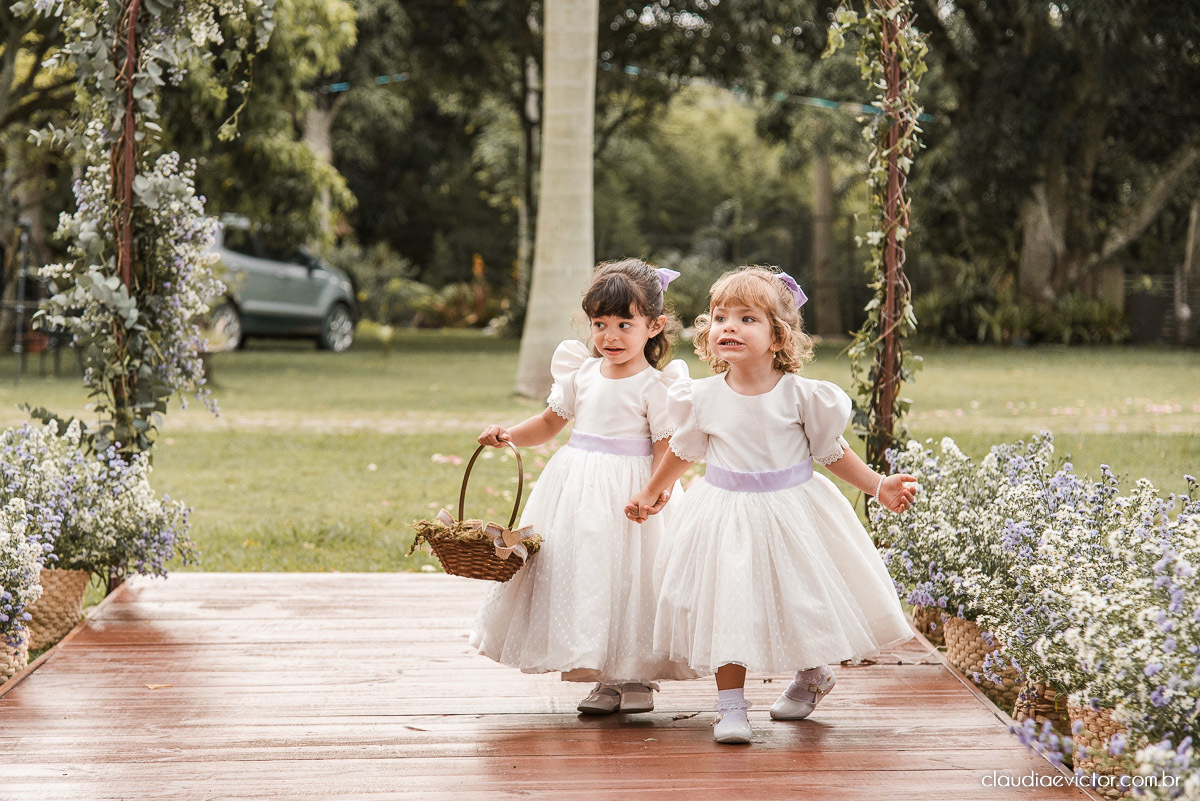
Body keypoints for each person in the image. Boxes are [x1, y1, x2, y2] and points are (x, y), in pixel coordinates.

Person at [626, 266, 917, 744]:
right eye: (720, 318)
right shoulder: (701, 397)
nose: (729, 327)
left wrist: (877, 485)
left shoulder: (804, 397)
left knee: (797, 596)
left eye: (747, 319)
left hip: (791, 511)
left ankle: (812, 673)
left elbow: (832, 452)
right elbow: (683, 449)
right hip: (724, 514)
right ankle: (730, 706)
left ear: (778, 336)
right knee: (727, 604)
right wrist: (653, 489)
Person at [471, 258, 697, 715]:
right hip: (578, 489)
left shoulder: (657, 385)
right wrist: (510, 434)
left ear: (653, 326)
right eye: (600, 324)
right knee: (589, 573)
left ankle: (635, 675)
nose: (609, 336)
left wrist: (656, 490)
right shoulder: (581, 373)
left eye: (623, 324)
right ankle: (601, 675)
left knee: (633, 576)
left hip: (632, 490)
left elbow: (665, 443)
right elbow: (550, 423)